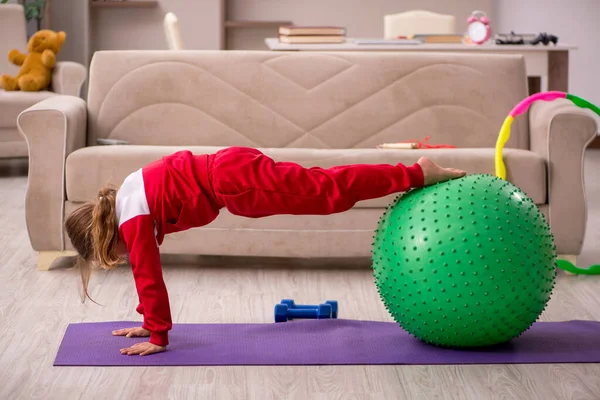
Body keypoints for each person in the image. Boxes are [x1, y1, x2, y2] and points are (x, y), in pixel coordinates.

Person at [64, 147, 466, 356]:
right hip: (230, 173)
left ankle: (416, 173)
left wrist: (158, 335)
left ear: (107, 235)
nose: (124, 256)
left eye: (112, 254)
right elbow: (147, 271)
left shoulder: (132, 216)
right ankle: (413, 172)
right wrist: (148, 322)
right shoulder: (129, 198)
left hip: (233, 182)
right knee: (325, 189)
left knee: (328, 191)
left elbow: (148, 276)